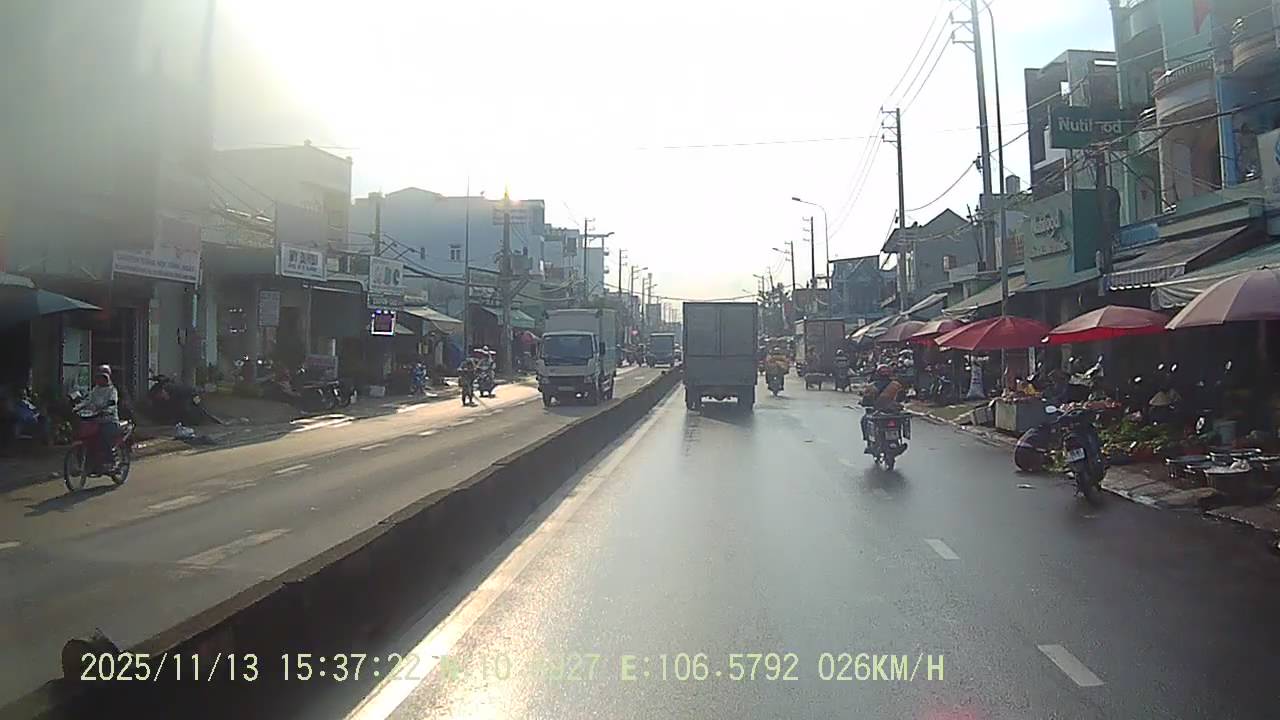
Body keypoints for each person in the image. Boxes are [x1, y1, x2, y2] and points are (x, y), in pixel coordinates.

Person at [76, 365, 120, 467]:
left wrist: (107, 410)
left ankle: (111, 461)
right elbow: (87, 401)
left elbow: (112, 403)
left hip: (109, 421)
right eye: (98, 377)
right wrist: (77, 407)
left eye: (103, 377)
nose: (100, 380)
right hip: (95, 420)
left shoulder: (112, 390)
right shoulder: (95, 389)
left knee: (104, 438)